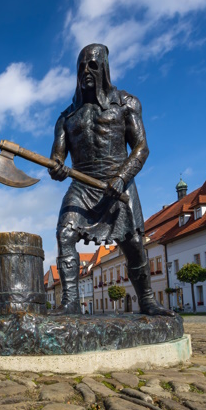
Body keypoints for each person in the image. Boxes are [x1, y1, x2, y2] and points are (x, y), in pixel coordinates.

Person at [48, 43, 173, 316]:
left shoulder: (127, 104)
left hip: (118, 182)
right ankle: (70, 303)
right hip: (82, 185)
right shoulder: (67, 117)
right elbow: (56, 158)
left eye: (92, 65)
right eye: (81, 67)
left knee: (134, 243)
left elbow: (141, 148)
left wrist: (121, 176)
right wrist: (56, 168)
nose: (86, 72)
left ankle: (148, 301)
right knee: (64, 233)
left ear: (104, 67)